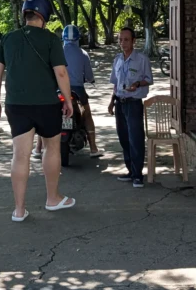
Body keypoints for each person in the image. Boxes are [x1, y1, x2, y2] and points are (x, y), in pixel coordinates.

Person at [0, 0, 76, 222]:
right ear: (45, 15)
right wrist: (68, 100)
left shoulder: (8, 38)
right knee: (52, 148)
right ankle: (53, 198)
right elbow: (60, 72)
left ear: (24, 13)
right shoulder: (50, 39)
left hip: (16, 105)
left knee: (20, 155)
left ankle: (19, 210)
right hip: (46, 104)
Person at [33, 25, 101, 160]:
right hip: (78, 90)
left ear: (63, 38)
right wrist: (90, 80)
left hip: (57, 89)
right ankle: (93, 148)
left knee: (46, 116)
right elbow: (89, 76)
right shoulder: (83, 54)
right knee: (87, 115)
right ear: (78, 38)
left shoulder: (56, 51)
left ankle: (38, 148)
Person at [108, 27, 153, 188]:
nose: (123, 43)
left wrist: (138, 84)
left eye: (126, 39)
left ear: (133, 41)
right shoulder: (118, 59)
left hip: (133, 103)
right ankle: (130, 170)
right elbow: (115, 83)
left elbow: (149, 79)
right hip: (120, 102)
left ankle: (138, 175)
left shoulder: (141, 59)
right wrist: (112, 101)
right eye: (120, 39)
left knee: (136, 139)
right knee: (124, 138)